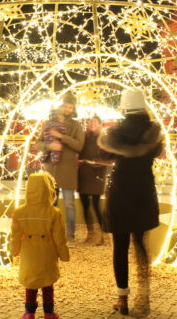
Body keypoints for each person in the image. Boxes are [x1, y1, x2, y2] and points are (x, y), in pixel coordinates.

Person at [98, 88, 163, 317]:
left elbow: (103, 154)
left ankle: (122, 298)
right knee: (141, 245)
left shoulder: (114, 133)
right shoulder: (153, 131)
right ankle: (144, 296)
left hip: (119, 192)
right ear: (143, 106)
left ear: (124, 107)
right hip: (143, 191)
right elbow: (158, 152)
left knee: (121, 246)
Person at [11, 171, 70, 319]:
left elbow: (15, 235)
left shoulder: (19, 212)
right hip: (47, 253)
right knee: (47, 284)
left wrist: (14, 250)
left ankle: (29, 313)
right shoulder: (54, 213)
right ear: (49, 189)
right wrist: (64, 255)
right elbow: (60, 238)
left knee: (30, 284)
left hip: (29, 253)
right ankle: (49, 313)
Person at [36, 92, 84, 247]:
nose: (68, 109)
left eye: (71, 107)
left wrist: (62, 137)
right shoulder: (48, 124)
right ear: (61, 106)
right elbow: (37, 144)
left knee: (69, 204)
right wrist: (48, 146)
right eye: (66, 106)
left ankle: (70, 236)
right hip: (51, 170)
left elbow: (79, 145)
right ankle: (51, 233)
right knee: (51, 204)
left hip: (67, 170)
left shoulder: (76, 126)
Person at [77, 116, 112, 245]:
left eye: (94, 122)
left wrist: (91, 162)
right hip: (84, 175)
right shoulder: (85, 137)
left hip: (97, 174)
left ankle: (104, 235)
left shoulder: (104, 139)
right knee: (85, 204)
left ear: (99, 123)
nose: (91, 124)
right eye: (90, 122)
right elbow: (79, 152)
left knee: (96, 205)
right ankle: (90, 233)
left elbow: (108, 159)